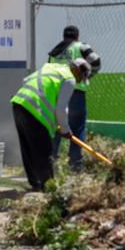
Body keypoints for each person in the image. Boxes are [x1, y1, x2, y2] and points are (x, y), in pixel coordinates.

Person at [10, 57, 92, 191]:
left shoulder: (51, 67)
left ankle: (35, 184)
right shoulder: (69, 79)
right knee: (44, 150)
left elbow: (26, 80)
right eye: (81, 78)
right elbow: (61, 109)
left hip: (19, 103)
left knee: (28, 148)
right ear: (77, 71)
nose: (79, 81)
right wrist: (65, 129)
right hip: (34, 111)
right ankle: (49, 188)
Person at [47, 26, 101, 170]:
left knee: (56, 127)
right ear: (77, 36)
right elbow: (96, 61)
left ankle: (50, 163)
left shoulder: (55, 51)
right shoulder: (81, 46)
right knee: (77, 127)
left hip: (56, 93)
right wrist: (88, 76)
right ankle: (75, 165)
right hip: (75, 92)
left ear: (63, 36)